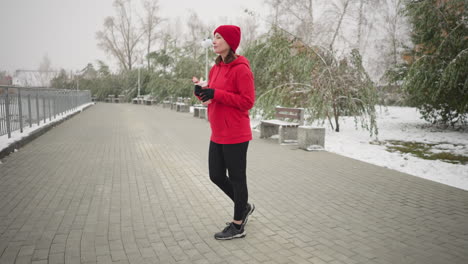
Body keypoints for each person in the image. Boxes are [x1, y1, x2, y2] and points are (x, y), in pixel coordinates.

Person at [194, 25, 256, 240]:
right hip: (218, 131)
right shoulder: (215, 68)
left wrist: (216, 93)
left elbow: (247, 101)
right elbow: (213, 97)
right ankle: (244, 206)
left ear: (230, 41)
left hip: (236, 133)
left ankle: (238, 225)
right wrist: (202, 93)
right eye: (213, 37)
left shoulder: (241, 69)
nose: (214, 41)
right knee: (216, 175)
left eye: (218, 37)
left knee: (238, 178)